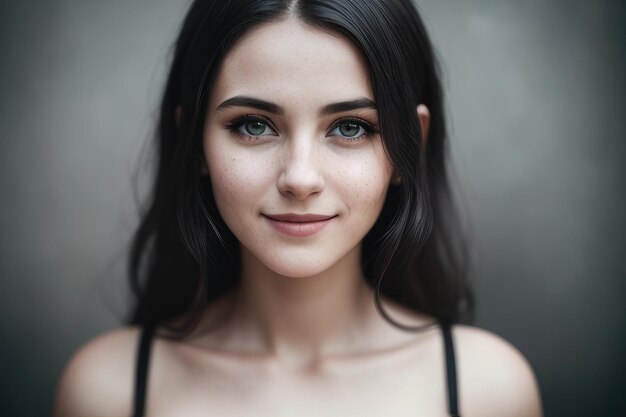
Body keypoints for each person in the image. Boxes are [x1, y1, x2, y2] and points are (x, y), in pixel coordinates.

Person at [53, 1, 543, 416]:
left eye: (350, 127)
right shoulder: (106, 393)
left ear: (407, 147)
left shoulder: (489, 392)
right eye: (253, 125)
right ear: (194, 142)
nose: (300, 178)